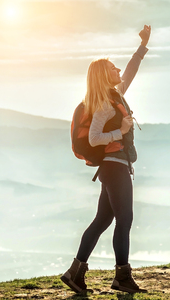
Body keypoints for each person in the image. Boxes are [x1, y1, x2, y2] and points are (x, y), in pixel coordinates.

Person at [61, 25, 151, 294]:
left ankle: (75, 273)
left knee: (102, 220)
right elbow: (94, 138)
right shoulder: (103, 104)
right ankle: (122, 277)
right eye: (113, 68)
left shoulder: (116, 95)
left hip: (115, 168)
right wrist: (119, 131)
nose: (118, 71)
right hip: (114, 168)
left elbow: (132, 70)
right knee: (124, 220)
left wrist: (142, 46)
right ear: (104, 74)